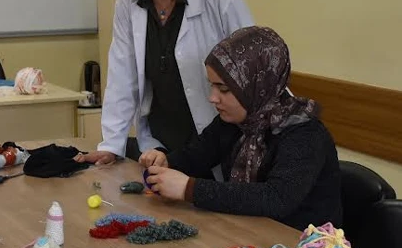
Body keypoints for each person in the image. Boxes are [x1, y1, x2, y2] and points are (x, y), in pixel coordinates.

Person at [77, 0, 254, 167]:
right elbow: (122, 78)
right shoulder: (128, 3)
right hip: (161, 146)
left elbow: (254, 74)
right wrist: (111, 146)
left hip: (221, 144)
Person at [140, 26, 342, 231]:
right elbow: (197, 155)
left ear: (256, 86)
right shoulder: (236, 120)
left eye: (224, 89)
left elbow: (276, 198)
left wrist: (189, 188)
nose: (212, 97)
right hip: (249, 233)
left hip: (304, 244)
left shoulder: (305, 133)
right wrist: (167, 161)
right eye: (212, 85)